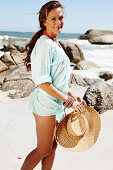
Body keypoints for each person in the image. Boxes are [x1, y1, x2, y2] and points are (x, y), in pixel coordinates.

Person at [21, 1, 85, 170]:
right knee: (43, 149)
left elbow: (57, 79)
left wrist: (70, 95)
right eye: (53, 18)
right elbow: (42, 81)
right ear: (44, 21)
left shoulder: (55, 43)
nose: (58, 22)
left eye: (61, 18)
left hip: (56, 103)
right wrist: (68, 101)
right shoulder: (44, 44)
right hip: (45, 104)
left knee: (53, 147)